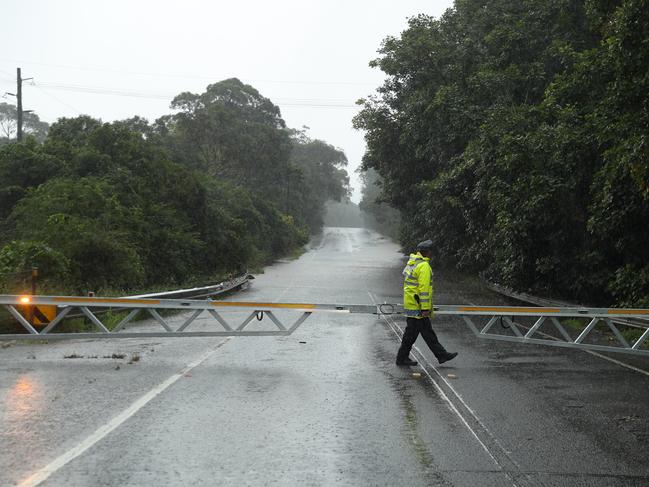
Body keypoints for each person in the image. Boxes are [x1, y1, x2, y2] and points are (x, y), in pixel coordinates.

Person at [396, 239, 458, 366]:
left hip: (411, 303)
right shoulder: (424, 266)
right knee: (413, 335)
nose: (432, 254)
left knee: (425, 333)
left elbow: (406, 277)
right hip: (418, 306)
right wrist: (425, 309)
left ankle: (441, 355)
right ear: (428, 252)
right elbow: (424, 290)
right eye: (431, 252)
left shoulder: (412, 262)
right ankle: (402, 358)